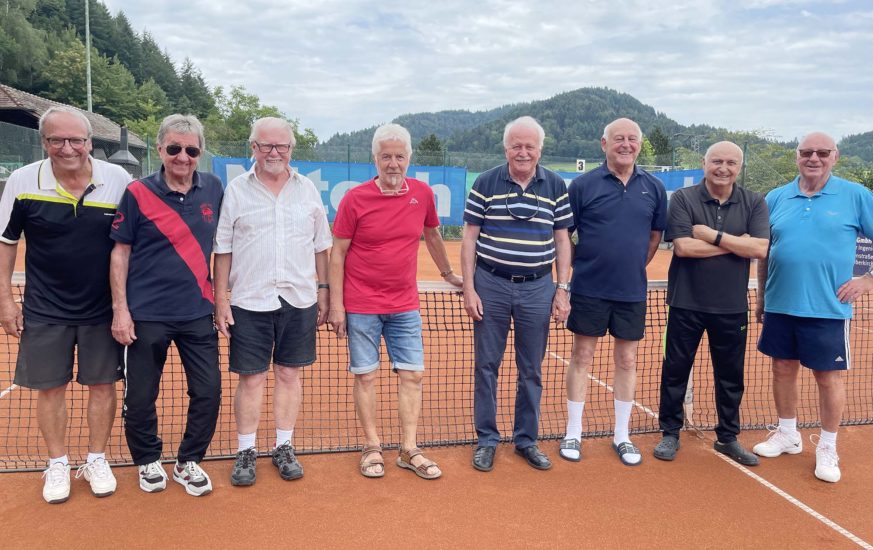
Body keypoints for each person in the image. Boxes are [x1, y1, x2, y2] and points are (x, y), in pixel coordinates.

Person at [0, 106, 129, 503]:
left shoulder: (117, 180)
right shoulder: (23, 182)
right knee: (50, 389)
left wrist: (125, 305)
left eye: (76, 140)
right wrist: (6, 300)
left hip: (102, 308)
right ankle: (57, 463)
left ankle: (96, 459)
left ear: (90, 142)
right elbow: (6, 243)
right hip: (44, 308)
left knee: (103, 386)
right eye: (57, 140)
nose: (67, 148)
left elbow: (130, 244)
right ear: (44, 142)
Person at [328, 123, 462, 480]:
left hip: (405, 305)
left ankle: (408, 448)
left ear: (409, 158)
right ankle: (372, 445)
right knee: (366, 377)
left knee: (413, 375)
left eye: (399, 156)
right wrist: (338, 305)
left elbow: (432, 235)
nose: (393, 163)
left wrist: (449, 274)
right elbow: (338, 252)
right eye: (386, 156)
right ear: (375, 159)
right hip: (361, 305)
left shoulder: (422, 194)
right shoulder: (355, 199)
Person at [110, 114, 223, 496]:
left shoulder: (213, 188)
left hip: (197, 312)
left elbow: (226, 245)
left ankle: (189, 461)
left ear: (200, 152)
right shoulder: (138, 192)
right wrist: (121, 310)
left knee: (208, 392)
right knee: (141, 396)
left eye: (191, 150)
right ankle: (147, 460)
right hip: (145, 316)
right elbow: (120, 252)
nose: (183, 157)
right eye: (174, 148)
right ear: (160, 149)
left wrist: (221, 301)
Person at [214, 117, 331, 486]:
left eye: (281, 146)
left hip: (299, 299)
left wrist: (324, 290)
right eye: (266, 145)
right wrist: (221, 299)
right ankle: (246, 450)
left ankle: (284, 446)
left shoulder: (307, 190)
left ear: (291, 149)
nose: (274, 152)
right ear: (254, 148)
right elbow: (223, 249)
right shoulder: (236, 190)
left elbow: (321, 246)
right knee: (251, 378)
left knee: (289, 374)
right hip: (249, 300)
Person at [753, 132, 873, 483]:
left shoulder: (856, 195)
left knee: (827, 378)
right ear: (797, 156)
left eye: (822, 152)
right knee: (781, 369)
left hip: (828, 308)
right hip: (780, 304)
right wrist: (762, 297)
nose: (814, 158)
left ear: (835, 156)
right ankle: (788, 434)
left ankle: (828, 447)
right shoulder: (776, 197)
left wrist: (868, 280)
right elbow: (765, 253)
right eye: (806, 152)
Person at [461, 116, 572, 472]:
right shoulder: (486, 182)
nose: (523, 152)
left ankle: (526, 440)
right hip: (490, 284)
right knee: (486, 366)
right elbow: (469, 238)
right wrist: (469, 288)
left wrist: (562, 289)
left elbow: (562, 240)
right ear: (506, 148)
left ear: (540, 149)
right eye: (516, 146)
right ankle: (487, 440)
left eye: (529, 146)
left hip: (538, 287)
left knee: (531, 370)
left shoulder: (555, 184)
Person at [653, 141, 769, 465]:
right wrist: (737, 243)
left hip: (732, 307)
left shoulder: (754, 202)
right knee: (675, 371)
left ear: (739, 167)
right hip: (684, 303)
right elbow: (684, 248)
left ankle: (728, 438)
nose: (723, 168)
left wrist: (711, 235)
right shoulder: (683, 198)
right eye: (717, 161)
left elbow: (759, 249)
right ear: (705, 162)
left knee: (731, 377)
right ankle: (670, 433)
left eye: (731, 162)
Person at [560, 118, 667, 466]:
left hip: (631, 291)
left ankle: (622, 435)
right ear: (604, 144)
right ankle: (573, 432)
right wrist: (580, 265)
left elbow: (655, 236)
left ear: (639, 145)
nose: (626, 144)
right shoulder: (582, 185)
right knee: (582, 357)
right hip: (588, 288)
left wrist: (633, 265)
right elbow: (564, 235)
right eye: (618, 138)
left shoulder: (654, 187)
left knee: (628, 360)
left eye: (632, 139)